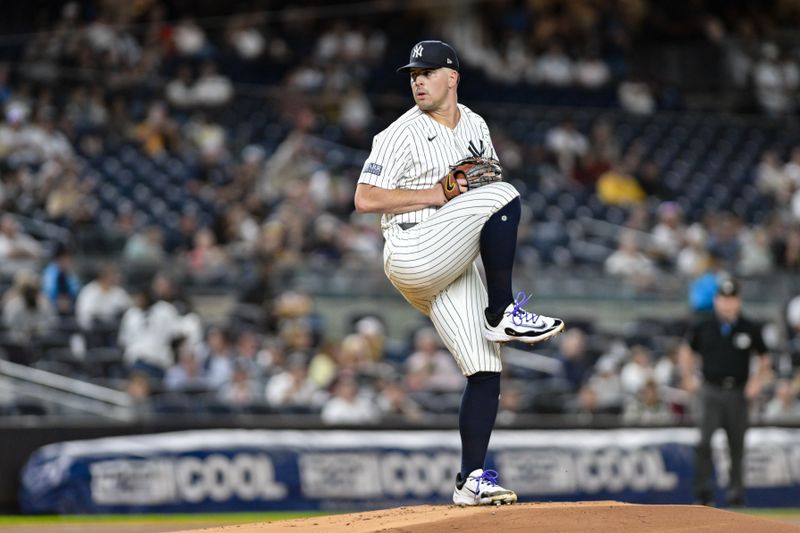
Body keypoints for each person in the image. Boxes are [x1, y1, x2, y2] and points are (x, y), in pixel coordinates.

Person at [354, 40, 564, 507]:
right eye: (412, 75)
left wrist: (468, 190)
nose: (417, 81)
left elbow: (483, 182)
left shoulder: (476, 125)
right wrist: (434, 194)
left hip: (454, 256)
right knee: (506, 194)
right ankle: (503, 309)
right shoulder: (399, 133)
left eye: (426, 72)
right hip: (412, 246)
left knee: (485, 369)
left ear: (452, 76)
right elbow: (365, 199)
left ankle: (471, 480)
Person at [678, 277, 772, 507]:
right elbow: (686, 350)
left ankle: (736, 494)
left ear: (738, 301)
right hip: (710, 391)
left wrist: (757, 382)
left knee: (737, 445)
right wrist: (688, 377)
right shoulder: (704, 326)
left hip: (738, 393)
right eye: (723, 299)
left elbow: (765, 357)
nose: (727, 304)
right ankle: (703, 494)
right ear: (716, 301)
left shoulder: (749, 327)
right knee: (704, 443)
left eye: (732, 299)